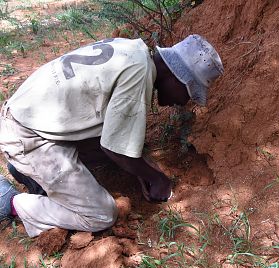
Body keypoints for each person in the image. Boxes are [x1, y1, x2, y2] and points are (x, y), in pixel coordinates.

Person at [0, 34, 223, 237]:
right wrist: (158, 179)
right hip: (30, 137)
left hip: (26, 116)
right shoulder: (138, 77)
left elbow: (111, 133)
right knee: (102, 215)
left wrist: (140, 168)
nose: (184, 102)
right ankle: (8, 201)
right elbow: (114, 148)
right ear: (177, 78)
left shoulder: (133, 50)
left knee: (121, 151)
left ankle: (25, 170)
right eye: (189, 93)